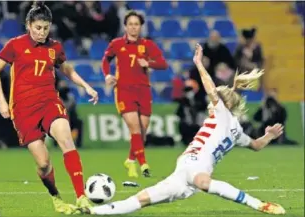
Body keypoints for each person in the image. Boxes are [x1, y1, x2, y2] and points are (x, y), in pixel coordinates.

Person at [81, 44, 286, 215]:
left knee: (203, 183)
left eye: (213, 101)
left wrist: (198, 64)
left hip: (194, 167)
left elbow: (210, 88)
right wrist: (268, 136)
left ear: (222, 104)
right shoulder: (237, 132)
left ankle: (258, 204)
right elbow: (256, 145)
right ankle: (94, 211)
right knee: (142, 198)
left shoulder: (222, 113)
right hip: (182, 176)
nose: (210, 103)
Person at [0, 2, 97, 214]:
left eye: (45, 28)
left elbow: (66, 68)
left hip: (49, 101)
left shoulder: (54, 47)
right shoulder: (15, 45)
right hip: (23, 109)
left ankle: (82, 197)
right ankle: (56, 199)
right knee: (44, 164)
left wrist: (86, 86)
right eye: (38, 28)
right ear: (29, 24)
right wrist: (2, 102)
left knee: (66, 140)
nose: (41, 32)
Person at [102, 11, 168, 178]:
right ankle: (144, 164)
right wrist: (108, 75)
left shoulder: (147, 45)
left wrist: (149, 63)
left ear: (140, 27)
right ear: (125, 26)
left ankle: (131, 160)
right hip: (124, 90)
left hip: (143, 90)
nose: (133, 27)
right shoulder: (117, 44)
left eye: (136, 24)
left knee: (143, 131)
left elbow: (163, 64)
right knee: (135, 128)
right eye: (130, 24)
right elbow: (105, 60)